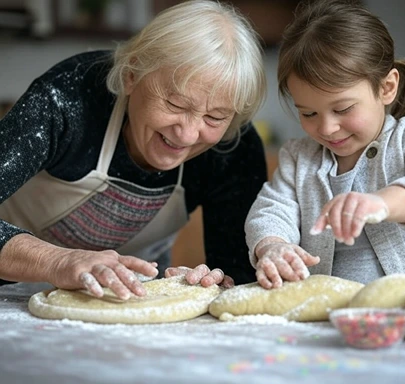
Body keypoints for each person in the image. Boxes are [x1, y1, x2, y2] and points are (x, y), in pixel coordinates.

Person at [0, 0, 267, 299]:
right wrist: (59, 261)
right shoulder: (70, 95)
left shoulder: (233, 146)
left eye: (214, 117)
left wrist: (203, 284)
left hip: (128, 303)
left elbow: (239, 283)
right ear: (131, 74)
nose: (188, 134)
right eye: (175, 104)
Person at [245, 0, 405, 289]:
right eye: (308, 113)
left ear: (386, 87)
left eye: (343, 109)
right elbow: (272, 209)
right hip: (328, 312)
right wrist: (272, 245)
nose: (326, 127)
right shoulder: (299, 158)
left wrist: (381, 203)